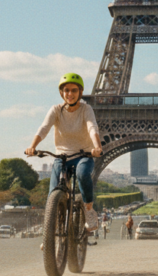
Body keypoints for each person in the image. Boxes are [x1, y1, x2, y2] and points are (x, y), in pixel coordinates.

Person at [26, 72, 102, 233]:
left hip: (84, 154)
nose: (70, 94)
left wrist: (97, 147)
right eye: (66, 90)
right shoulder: (55, 110)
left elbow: (92, 127)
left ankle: (89, 210)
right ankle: (50, 234)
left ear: (80, 92)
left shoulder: (86, 109)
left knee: (82, 174)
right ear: (62, 92)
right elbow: (44, 128)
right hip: (62, 156)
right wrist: (32, 146)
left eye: (74, 90)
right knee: (53, 190)